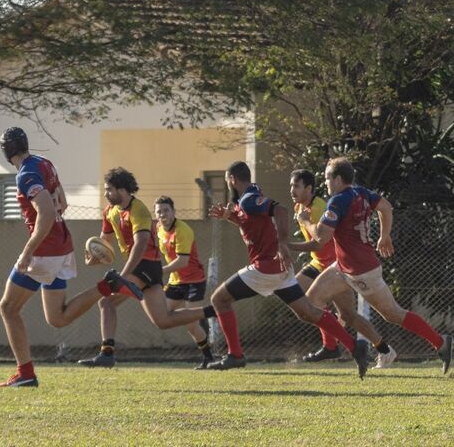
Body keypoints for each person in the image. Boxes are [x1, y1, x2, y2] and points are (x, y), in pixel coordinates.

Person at [0, 128, 144, 388]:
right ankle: (107, 286)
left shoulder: (26, 174)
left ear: (6, 152)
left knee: (8, 308)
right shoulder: (44, 163)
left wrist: (28, 251)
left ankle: (26, 373)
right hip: (62, 245)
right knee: (58, 318)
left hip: (45, 249)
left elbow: (48, 213)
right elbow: (62, 202)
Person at [290, 157, 453, 374]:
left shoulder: (337, 201)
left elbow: (320, 239)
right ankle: (338, 346)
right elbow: (386, 207)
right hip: (343, 267)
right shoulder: (361, 192)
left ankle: (441, 342)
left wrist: (304, 224)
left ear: (338, 179)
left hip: (362, 271)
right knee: (313, 301)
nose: (326, 182)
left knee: (393, 314)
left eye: (328, 177)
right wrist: (384, 236)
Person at [206, 161, 369, 378]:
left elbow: (279, 209)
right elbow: (253, 222)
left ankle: (235, 354)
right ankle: (354, 346)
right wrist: (231, 217)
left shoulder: (248, 199)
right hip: (279, 268)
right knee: (307, 312)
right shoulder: (251, 196)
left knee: (219, 300)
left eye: (228, 181)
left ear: (232, 181)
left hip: (265, 267)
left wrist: (282, 243)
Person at [78, 168, 216, 367]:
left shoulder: (139, 210)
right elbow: (104, 242)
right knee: (163, 321)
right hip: (140, 267)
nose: (106, 194)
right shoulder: (109, 211)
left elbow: (141, 244)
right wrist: (93, 256)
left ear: (122, 190)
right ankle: (212, 311)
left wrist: (123, 276)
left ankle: (107, 353)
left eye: (109, 189)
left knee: (106, 303)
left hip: (145, 265)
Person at [290, 169, 396, 368]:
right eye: (291, 186)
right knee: (298, 298)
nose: (291, 190)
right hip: (317, 263)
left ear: (309, 188)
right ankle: (330, 344)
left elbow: (320, 240)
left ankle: (382, 349)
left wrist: (288, 245)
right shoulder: (299, 207)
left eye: (296, 186)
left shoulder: (321, 206)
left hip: (334, 265)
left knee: (348, 315)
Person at [155, 196, 215, 369]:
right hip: (176, 281)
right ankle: (207, 313)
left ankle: (208, 357)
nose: (162, 214)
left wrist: (159, 271)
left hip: (194, 281)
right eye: (159, 211)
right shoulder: (158, 228)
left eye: (166, 210)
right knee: (162, 315)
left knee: (190, 323)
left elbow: (183, 262)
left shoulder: (183, 230)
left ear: (174, 211)